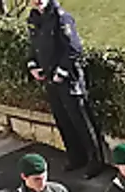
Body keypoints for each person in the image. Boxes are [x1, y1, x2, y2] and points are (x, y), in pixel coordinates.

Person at [24, 0, 105, 175]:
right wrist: (33, 66)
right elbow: (34, 46)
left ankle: (95, 161)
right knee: (63, 120)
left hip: (69, 81)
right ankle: (76, 157)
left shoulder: (61, 18)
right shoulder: (34, 18)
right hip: (50, 80)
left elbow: (74, 49)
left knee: (80, 121)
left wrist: (61, 73)